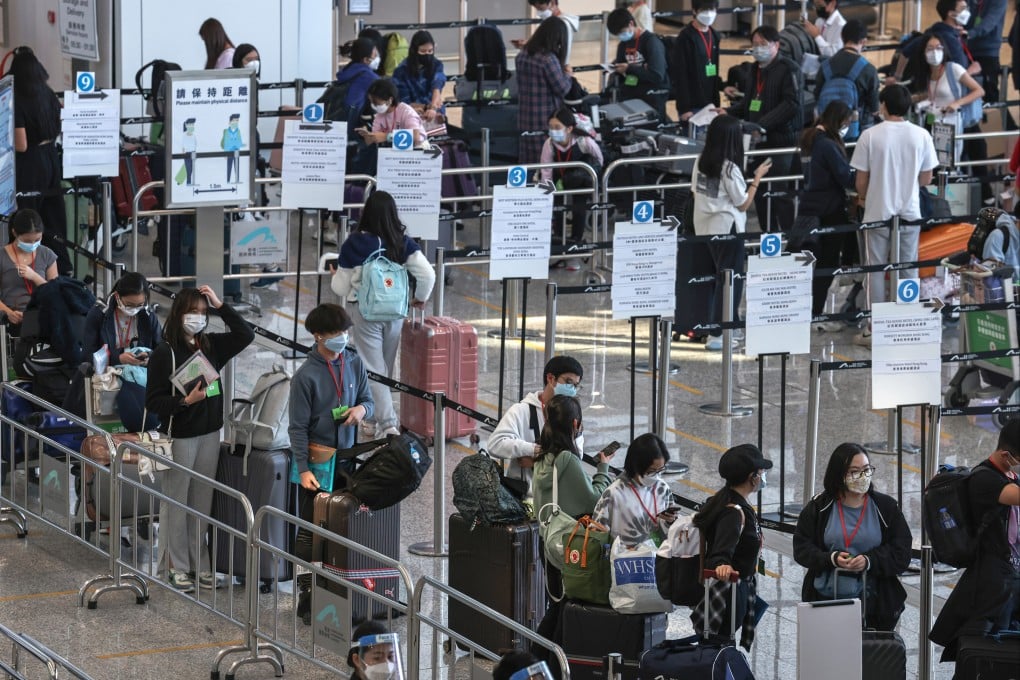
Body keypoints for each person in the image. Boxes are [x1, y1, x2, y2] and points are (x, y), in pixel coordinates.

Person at [145, 285, 254, 593]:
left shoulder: (211, 346)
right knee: (176, 500)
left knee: (202, 501)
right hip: (180, 435)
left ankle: (199, 564)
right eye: (193, 312)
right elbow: (152, 402)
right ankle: (175, 565)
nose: (198, 318)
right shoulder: (163, 353)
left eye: (204, 313)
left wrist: (221, 305)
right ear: (179, 314)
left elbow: (246, 334)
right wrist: (184, 403)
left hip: (210, 433)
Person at [290, 303, 374, 624]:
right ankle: (306, 591)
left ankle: (338, 589)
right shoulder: (305, 377)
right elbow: (296, 428)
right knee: (310, 533)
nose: (343, 339)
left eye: (345, 333)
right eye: (337, 334)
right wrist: (303, 469)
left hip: (346, 462)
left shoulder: (353, 362)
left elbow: (368, 401)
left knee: (343, 527)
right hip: (317, 462)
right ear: (319, 336)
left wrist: (361, 412)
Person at [330, 191, 435, 439]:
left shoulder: (355, 243)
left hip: (366, 313)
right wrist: (418, 298)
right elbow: (428, 274)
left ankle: (388, 424)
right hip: (395, 312)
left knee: (372, 369)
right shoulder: (401, 241)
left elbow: (341, 288)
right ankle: (376, 418)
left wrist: (335, 275)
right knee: (384, 367)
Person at [849, 85, 939, 346]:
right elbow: (926, 177)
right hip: (910, 212)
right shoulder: (921, 135)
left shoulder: (870, 135)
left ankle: (873, 327)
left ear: (884, 105)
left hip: (877, 211)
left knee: (874, 270)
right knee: (907, 267)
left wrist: (867, 197)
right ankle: (906, 321)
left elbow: (860, 180)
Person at [793, 443, 912, 630]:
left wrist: (869, 561)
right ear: (839, 475)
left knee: (870, 656)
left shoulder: (886, 507)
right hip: (825, 599)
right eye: (855, 472)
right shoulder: (819, 508)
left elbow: (902, 552)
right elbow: (802, 549)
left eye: (866, 470)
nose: (863, 476)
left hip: (875, 602)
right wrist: (830, 558)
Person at [930, 416, 1020, 662]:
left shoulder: (1011, 476)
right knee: (982, 655)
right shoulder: (984, 479)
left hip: (1009, 578)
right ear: (1005, 455)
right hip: (989, 583)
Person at [531, 395, 615, 659]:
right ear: (576, 423)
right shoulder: (566, 458)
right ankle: (543, 660)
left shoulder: (543, 457)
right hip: (571, 544)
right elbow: (594, 498)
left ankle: (542, 660)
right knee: (566, 606)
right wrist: (603, 468)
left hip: (548, 540)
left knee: (557, 603)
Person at [691, 115, 772, 351]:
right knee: (731, 281)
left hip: (705, 227)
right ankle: (720, 333)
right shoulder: (729, 168)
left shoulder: (700, 160)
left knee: (718, 278)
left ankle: (724, 326)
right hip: (728, 229)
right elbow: (743, 203)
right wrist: (757, 178)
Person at [691, 444, 771, 650]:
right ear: (752, 477)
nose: (763, 477)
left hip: (739, 588)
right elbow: (721, 550)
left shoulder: (731, 501)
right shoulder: (733, 512)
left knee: (721, 644)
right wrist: (721, 564)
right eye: (761, 473)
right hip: (728, 593)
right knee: (720, 645)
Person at [726, 25, 803, 234]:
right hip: (756, 144)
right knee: (758, 192)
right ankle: (767, 235)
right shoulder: (754, 70)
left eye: (763, 44)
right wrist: (727, 112)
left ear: (776, 45)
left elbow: (792, 104)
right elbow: (748, 104)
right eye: (755, 44)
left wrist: (763, 124)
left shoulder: (789, 69)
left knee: (780, 194)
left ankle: (789, 238)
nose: (758, 49)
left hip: (782, 144)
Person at [9, 47, 71, 276]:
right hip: (51, 158)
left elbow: (21, 144)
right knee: (54, 217)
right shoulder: (48, 93)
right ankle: (60, 269)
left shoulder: (17, 99)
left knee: (28, 217)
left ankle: (27, 270)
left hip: (30, 163)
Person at [798, 101, 857, 331]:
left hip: (811, 206)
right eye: (846, 123)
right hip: (829, 209)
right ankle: (816, 315)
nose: (847, 127)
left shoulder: (811, 138)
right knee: (827, 264)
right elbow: (844, 176)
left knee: (816, 263)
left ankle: (812, 313)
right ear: (838, 121)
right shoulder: (827, 145)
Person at [908, 31, 987, 199]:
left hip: (953, 123)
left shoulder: (954, 69)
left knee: (952, 161)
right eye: (930, 48)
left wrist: (956, 104)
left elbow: (979, 90)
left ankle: (952, 199)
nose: (934, 52)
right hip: (934, 123)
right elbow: (932, 95)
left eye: (938, 47)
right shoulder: (927, 74)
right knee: (935, 161)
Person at [488, 355, 585, 488]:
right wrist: (533, 450)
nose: (572, 389)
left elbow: (576, 458)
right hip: (525, 495)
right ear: (551, 378)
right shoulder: (522, 411)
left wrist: (537, 461)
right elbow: (495, 444)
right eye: (568, 382)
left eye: (576, 385)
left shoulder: (571, 415)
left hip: (558, 497)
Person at [84, 272, 162, 431]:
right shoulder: (99, 314)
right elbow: (88, 353)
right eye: (129, 304)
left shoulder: (147, 316)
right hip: (110, 371)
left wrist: (148, 356)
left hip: (140, 371)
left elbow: (160, 348)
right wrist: (118, 357)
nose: (134, 309)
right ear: (117, 296)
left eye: (139, 304)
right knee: (136, 401)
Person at [539, 106, 604, 268]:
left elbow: (599, 160)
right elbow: (546, 169)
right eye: (551, 127)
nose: (553, 131)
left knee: (579, 212)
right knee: (558, 212)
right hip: (559, 181)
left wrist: (592, 180)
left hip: (580, 181)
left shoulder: (585, 142)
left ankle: (575, 251)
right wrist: (546, 194)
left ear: (569, 129)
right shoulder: (549, 144)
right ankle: (561, 248)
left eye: (557, 127)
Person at [593, 433, 677, 546]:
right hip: (624, 560)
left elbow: (671, 533)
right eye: (651, 471)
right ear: (636, 465)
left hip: (657, 557)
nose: (656, 476)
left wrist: (670, 521)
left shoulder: (662, 488)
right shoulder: (614, 494)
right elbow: (596, 535)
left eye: (660, 470)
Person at [515, 18, 573, 165]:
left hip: (525, 119)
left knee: (528, 163)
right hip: (546, 120)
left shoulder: (522, 55)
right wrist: (567, 75)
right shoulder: (548, 59)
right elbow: (562, 89)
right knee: (546, 161)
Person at [813, 20, 880, 138]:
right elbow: (874, 108)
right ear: (863, 41)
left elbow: (817, 96)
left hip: (828, 131)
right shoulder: (868, 69)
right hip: (856, 133)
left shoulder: (825, 66)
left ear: (842, 37)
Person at [0, 208, 59, 333]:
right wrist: (8, 313)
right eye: (27, 241)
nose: (32, 244)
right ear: (14, 233)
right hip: (10, 319)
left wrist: (35, 277)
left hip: (41, 317)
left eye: (37, 240)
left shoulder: (47, 254)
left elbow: (55, 293)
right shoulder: (2, 256)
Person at [607, 8, 670, 120]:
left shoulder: (651, 42)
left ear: (631, 23)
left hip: (652, 96)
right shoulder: (623, 45)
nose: (621, 36)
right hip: (632, 94)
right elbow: (623, 68)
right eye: (618, 34)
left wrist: (629, 68)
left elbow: (657, 75)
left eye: (621, 32)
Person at [672, 0, 723, 127]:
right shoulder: (685, 37)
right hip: (692, 106)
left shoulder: (714, 35)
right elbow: (680, 74)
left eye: (712, 10)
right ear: (694, 11)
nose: (709, 14)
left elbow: (713, 72)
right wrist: (684, 108)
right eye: (704, 10)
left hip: (711, 104)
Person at [392, 31, 447, 130]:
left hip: (434, 115)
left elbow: (437, 86)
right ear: (414, 50)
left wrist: (433, 107)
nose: (427, 54)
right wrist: (427, 107)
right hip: (410, 117)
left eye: (430, 51)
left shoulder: (437, 64)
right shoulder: (401, 71)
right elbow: (404, 101)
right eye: (423, 51)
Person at [356, 79, 427, 150]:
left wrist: (386, 136)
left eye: (376, 103)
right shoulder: (379, 115)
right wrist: (368, 136)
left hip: (417, 151)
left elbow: (415, 137)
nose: (373, 106)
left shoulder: (406, 112)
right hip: (394, 152)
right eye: (371, 102)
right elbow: (374, 140)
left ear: (390, 100)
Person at [522, 0, 580, 67]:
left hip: (554, 64)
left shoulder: (563, 24)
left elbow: (566, 48)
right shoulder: (548, 22)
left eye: (541, 9)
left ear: (552, 3)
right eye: (537, 9)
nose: (538, 13)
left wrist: (564, 66)